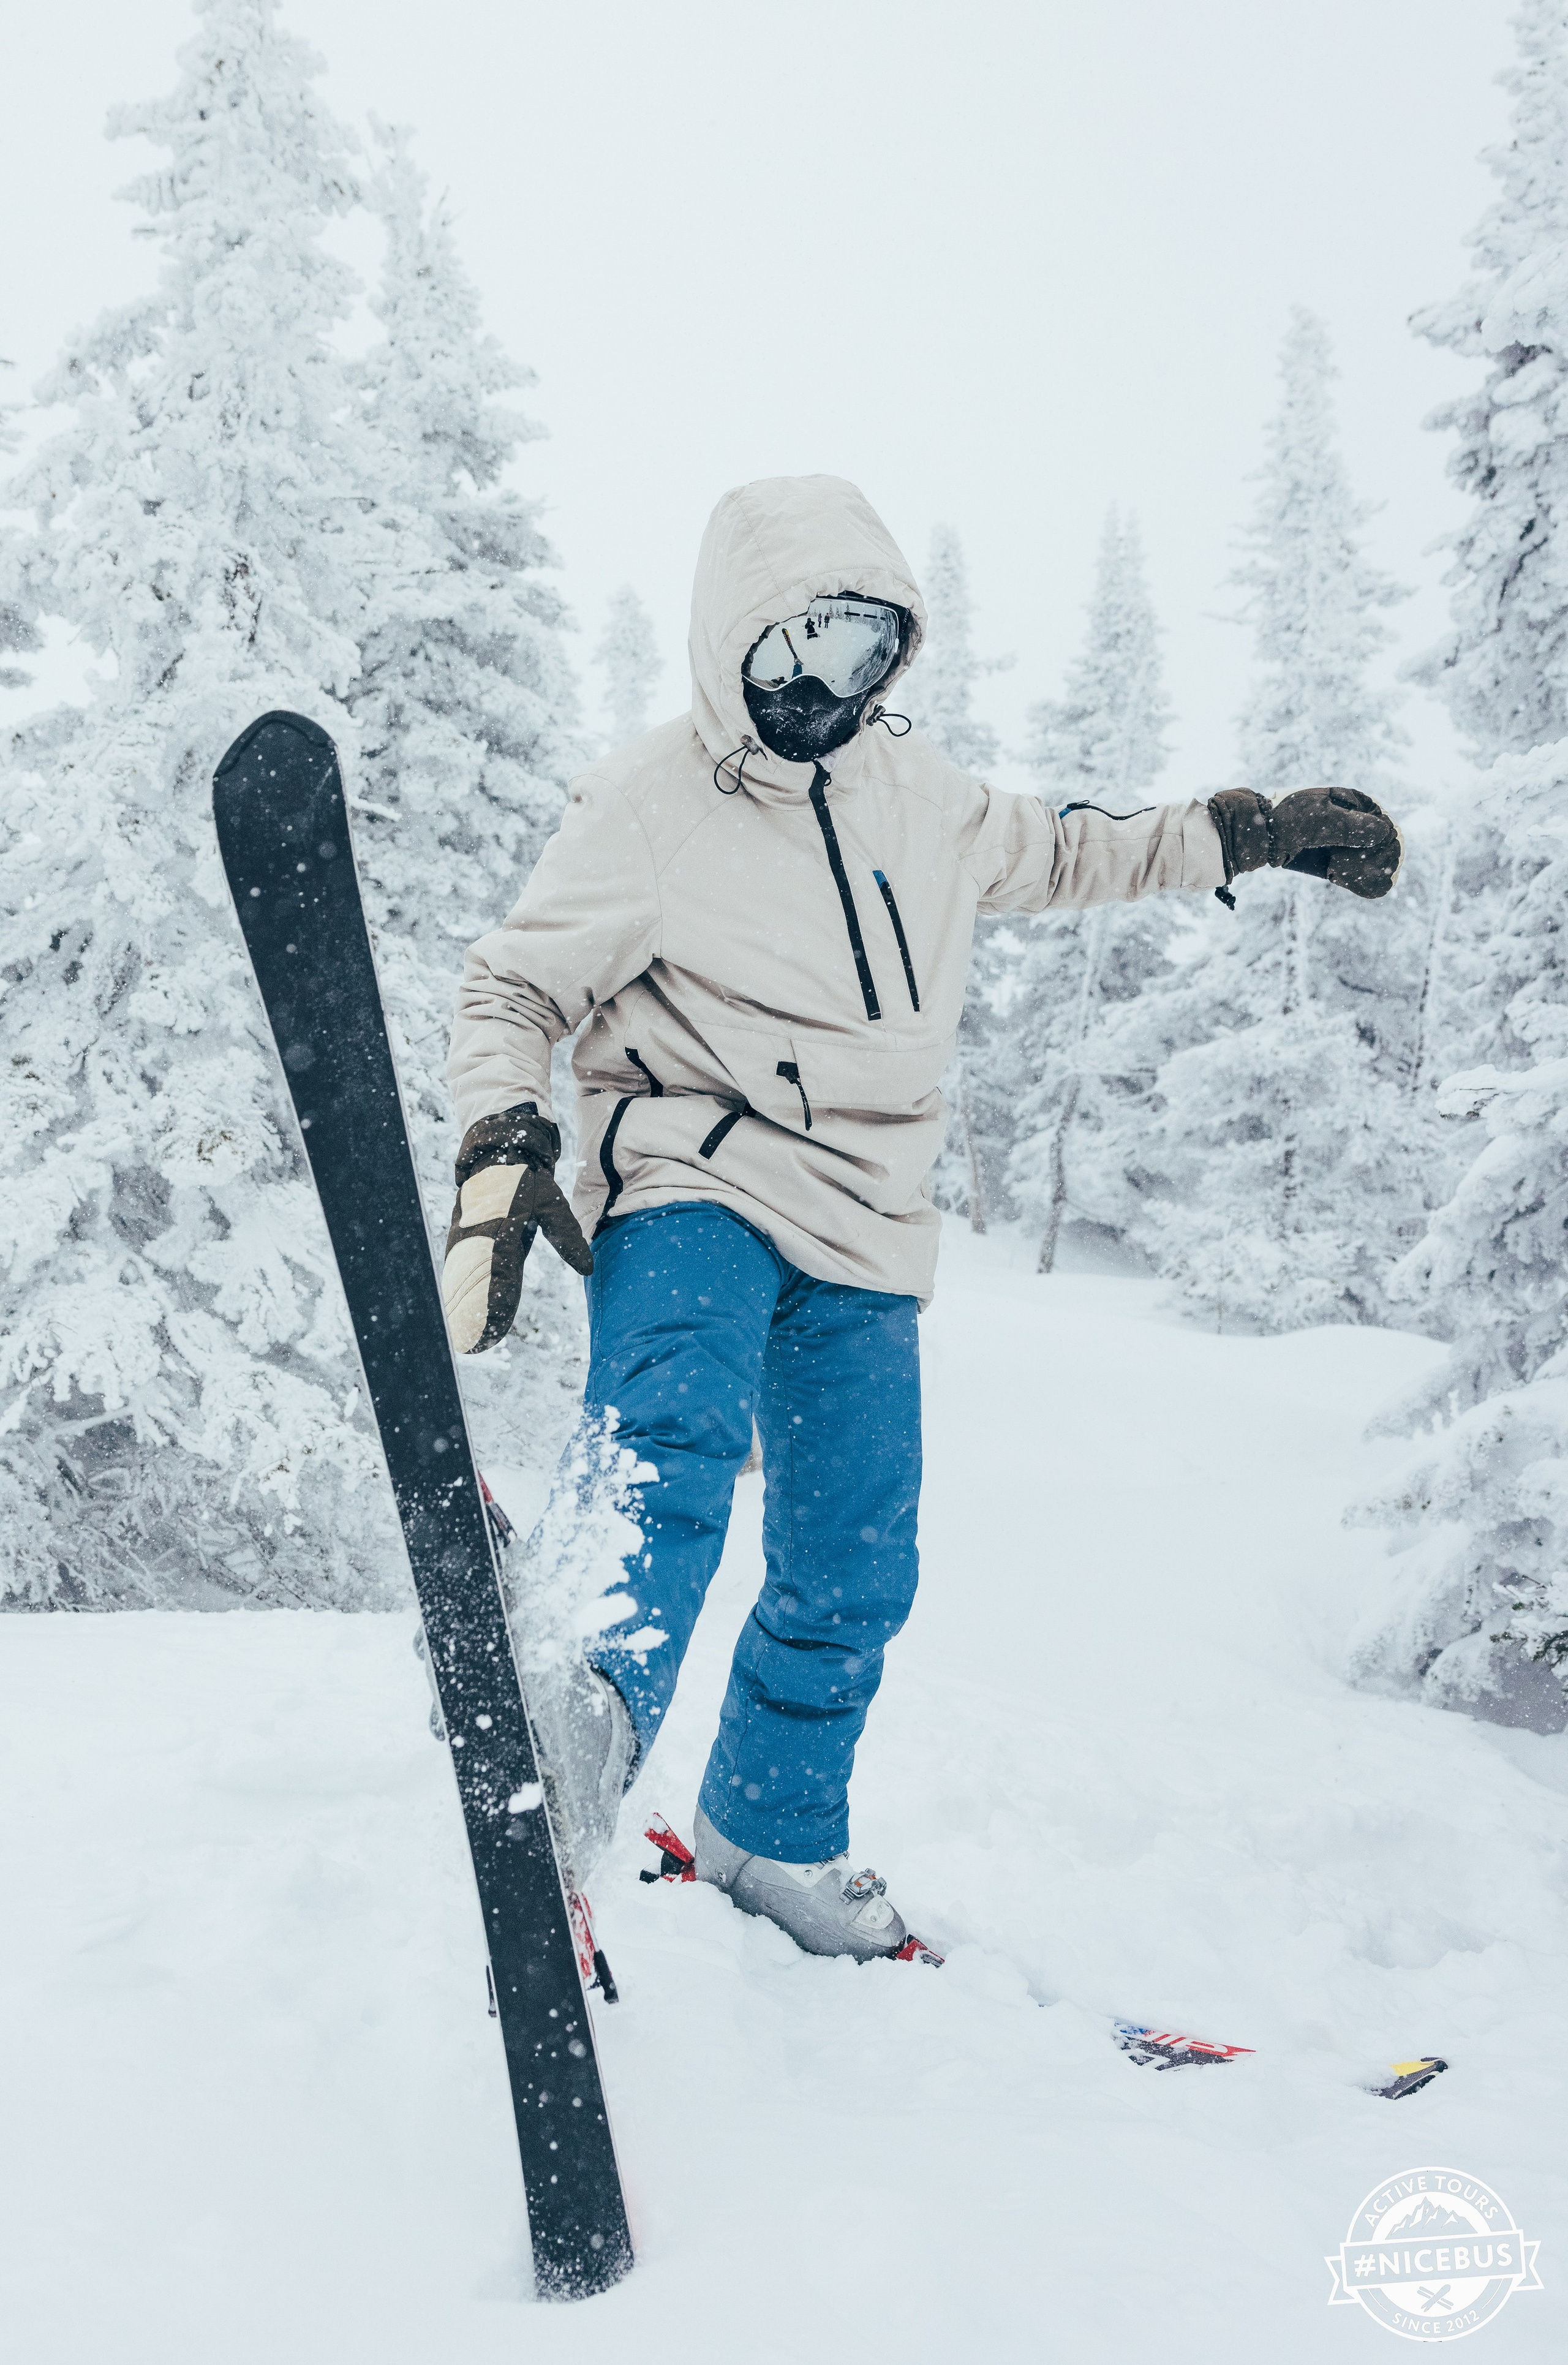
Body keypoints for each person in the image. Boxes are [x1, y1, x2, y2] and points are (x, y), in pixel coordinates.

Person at [440, 475, 1401, 1962]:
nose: (822, 685)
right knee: (673, 1429)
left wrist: (1243, 834)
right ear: (731, 639)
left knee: (852, 1556)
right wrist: (504, 1138)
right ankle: (576, 1714)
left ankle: (768, 1832)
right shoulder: (645, 806)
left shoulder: (920, 793)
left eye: (861, 646)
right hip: (693, 1170)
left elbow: (1072, 847)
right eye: (792, 646)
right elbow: (514, 981)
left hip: (868, 1218)